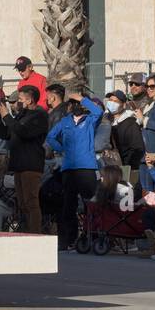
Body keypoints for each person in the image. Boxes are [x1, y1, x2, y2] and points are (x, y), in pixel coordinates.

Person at [46, 91, 103, 251]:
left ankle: (92, 236)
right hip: (69, 168)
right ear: (69, 106)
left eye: (79, 103)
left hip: (87, 167)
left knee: (90, 204)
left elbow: (99, 111)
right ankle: (68, 239)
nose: (77, 105)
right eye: (74, 103)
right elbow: (50, 137)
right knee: (68, 205)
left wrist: (83, 99)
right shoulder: (65, 121)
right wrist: (62, 148)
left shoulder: (90, 120)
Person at [0, 84, 49, 233]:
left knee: (31, 202)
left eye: (20, 99)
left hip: (31, 164)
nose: (17, 102)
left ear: (30, 100)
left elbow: (23, 131)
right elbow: (7, 133)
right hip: (18, 164)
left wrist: (7, 116)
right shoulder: (22, 114)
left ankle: (35, 233)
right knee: (22, 203)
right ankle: (26, 231)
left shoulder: (40, 115)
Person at [105, 89, 145, 169]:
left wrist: (127, 165)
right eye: (110, 100)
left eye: (115, 101)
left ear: (123, 105)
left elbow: (137, 148)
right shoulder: (105, 120)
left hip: (124, 167)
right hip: (110, 167)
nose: (111, 103)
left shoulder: (130, 123)